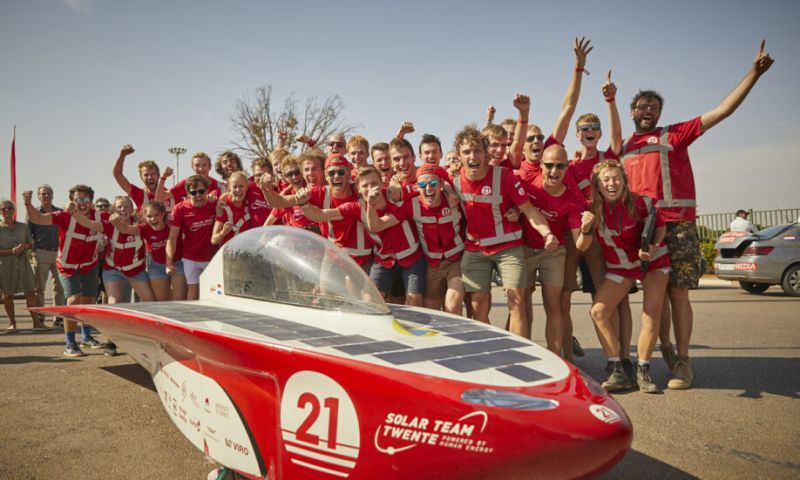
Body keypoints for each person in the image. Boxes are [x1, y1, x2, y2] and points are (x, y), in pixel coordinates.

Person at [621, 40, 773, 389]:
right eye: (643, 106)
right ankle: (664, 348)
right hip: (642, 232)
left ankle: (683, 362)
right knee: (652, 299)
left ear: (660, 113)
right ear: (632, 111)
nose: (648, 111)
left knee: (678, 294)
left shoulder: (677, 134)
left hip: (677, 228)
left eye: (654, 107)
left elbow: (722, 110)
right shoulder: (623, 146)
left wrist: (754, 73)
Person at [452, 125, 556, 337]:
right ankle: (489, 352)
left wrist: (547, 233)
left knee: (516, 300)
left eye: (477, 151)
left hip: (508, 249)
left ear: (486, 153)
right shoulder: (453, 180)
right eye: (466, 152)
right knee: (477, 305)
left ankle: (521, 356)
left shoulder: (506, 177)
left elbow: (529, 210)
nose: (472, 156)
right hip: (476, 250)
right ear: (460, 157)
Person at [587, 160, 670, 394]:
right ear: (598, 184)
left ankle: (643, 371)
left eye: (617, 178)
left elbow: (660, 227)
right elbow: (582, 243)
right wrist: (584, 228)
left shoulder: (643, 202)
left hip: (653, 262)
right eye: (606, 180)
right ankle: (617, 369)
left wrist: (652, 247)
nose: (612, 183)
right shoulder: (592, 209)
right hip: (621, 267)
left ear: (624, 181)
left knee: (651, 313)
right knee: (598, 311)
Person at [520, 146, 593, 359]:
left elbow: (580, 245)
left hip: (553, 252)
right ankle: (519, 358)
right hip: (524, 249)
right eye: (549, 165)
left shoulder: (573, 201)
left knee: (554, 304)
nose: (554, 171)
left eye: (560, 166)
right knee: (520, 303)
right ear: (540, 165)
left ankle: (555, 358)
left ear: (567, 167)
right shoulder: (527, 185)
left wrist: (587, 229)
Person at [23, 185, 105, 357]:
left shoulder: (100, 216)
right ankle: (70, 343)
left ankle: (87, 337)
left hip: (90, 264)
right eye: (78, 199)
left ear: (91, 201)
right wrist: (28, 204)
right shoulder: (63, 216)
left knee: (89, 300)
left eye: (85, 199)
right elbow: (38, 218)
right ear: (72, 201)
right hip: (68, 265)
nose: (82, 203)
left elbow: (106, 227)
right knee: (74, 300)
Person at [357, 167, 426, 306]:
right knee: (369, 301)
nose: (370, 189)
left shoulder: (397, 195)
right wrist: (303, 203)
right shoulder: (356, 206)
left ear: (382, 184)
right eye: (365, 185)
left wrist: (448, 188)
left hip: (411, 257)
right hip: (384, 260)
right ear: (358, 189)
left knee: (414, 301)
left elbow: (376, 226)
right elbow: (322, 214)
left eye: (374, 184)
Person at [72, 196, 156, 305]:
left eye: (126, 206)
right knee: (114, 302)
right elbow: (88, 223)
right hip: (113, 269)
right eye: (119, 207)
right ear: (114, 211)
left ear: (132, 209)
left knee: (150, 302)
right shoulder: (108, 225)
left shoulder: (141, 224)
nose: (123, 209)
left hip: (136, 270)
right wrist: (73, 212)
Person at [410, 164, 466, 314]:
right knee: (433, 314)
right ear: (417, 186)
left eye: (433, 183)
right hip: (431, 265)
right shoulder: (411, 204)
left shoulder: (454, 198)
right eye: (422, 184)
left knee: (452, 307)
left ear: (441, 184)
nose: (428, 188)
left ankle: (459, 337)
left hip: (455, 261)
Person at [110, 201, 187, 301]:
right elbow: (125, 229)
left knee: (180, 299)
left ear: (163, 214)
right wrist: (115, 222)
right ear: (145, 217)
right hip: (157, 266)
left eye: (156, 215)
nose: (153, 219)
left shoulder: (172, 225)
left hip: (177, 263)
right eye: (149, 216)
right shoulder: (144, 228)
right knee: (161, 301)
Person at [167, 175, 218, 300]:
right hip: (191, 258)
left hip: (211, 258)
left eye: (201, 191)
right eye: (193, 192)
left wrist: (216, 194)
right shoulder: (180, 209)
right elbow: (172, 239)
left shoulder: (214, 204)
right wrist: (169, 263)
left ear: (207, 190)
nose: (198, 195)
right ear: (188, 193)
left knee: (213, 292)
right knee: (193, 292)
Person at [0, 199, 48, 332]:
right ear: (0, 212)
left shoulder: (23, 227)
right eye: (4, 209)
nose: (7, 211)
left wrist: (25, 246)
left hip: (23, 264)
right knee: (8, 295)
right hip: (5, 266)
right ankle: (12, 324)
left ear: (14, 210)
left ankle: (36, 322)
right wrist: (11, 251)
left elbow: (31, 243)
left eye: (9, 208)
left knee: (30, 293)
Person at [27, 184, 65, 327]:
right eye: (43, 194)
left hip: (59, 252)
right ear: (39, 196)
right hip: (41, 252)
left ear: (53, 195)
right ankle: (40, 317)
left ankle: (58, 317)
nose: (46, 196)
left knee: (60, 287)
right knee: (39, 288)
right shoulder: (33, 213)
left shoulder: (60, 213)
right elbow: (28, 233)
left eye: (49, 193)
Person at [112, 144, 172, 214]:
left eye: (152, 174)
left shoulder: (169, 193)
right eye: (146, 175)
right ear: (141, 178)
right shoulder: (139, 194)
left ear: (158, 175)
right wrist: (122, 155)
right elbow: (117, 174)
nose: (150, 177)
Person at [211, 172, 253, 246]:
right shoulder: (223, 206)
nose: (238, 190)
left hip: (246, 250)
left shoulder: (250, 201)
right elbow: (213, 240)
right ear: (229, 188)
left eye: (241, 186)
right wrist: (223, 233)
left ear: (247, 187)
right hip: (228, 251)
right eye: (234, 187)